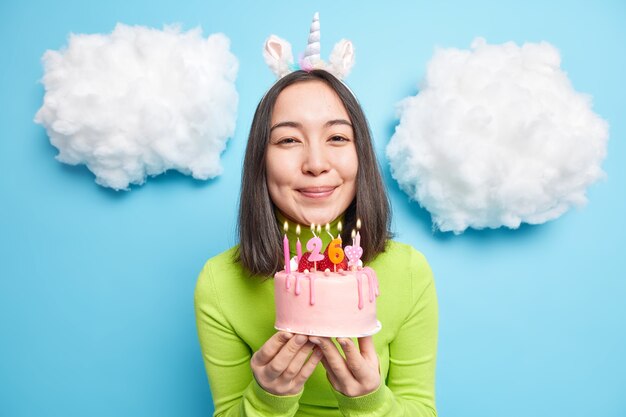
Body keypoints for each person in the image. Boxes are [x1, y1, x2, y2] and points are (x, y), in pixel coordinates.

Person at [194, 69, 438, 416]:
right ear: (260, 161)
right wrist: (267, 399)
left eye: (337, 138)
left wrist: (372, 402)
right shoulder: (220, 281)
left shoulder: (408, 270)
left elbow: (422, 408)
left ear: (361, 154)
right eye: (289, 140)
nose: (316, 164)